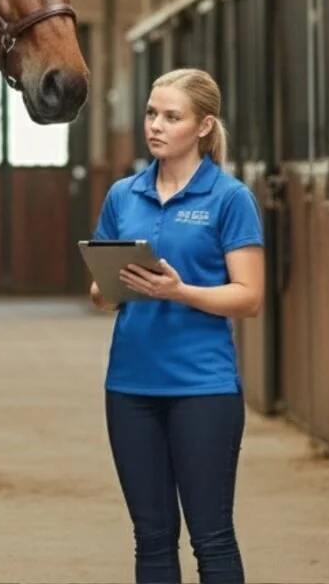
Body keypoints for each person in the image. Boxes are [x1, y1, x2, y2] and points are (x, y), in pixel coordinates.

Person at [86, 67, 265, 584]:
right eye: (151, 113)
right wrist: (108, 286)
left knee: (212, 538)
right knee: (152, 539)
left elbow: (249, 297)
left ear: (204, 126)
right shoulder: (124, 195)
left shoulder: (229, 198)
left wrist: (179, 291)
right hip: (129, 387)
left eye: (171, 116)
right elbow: (103, 294)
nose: (155, 126)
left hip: (202, 389)